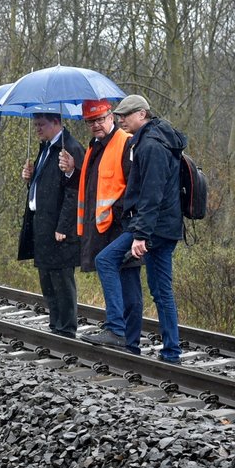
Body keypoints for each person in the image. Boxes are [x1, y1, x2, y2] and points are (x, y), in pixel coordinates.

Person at [81, 94, 186, 364]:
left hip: (152, 228)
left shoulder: (150, 145)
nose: (121, 120)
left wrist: (141, 236)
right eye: (119, 115)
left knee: (105, 260)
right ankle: (171, 352)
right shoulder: (160, 139)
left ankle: (116, 329)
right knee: (161, 291)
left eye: (125, 115)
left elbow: (151, 196)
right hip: (167, 228)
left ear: (142, 114)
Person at [60, 99, 144, 355]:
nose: (96, 125)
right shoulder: (95, 146)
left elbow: (133, 186)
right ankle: (129, 344)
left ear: (111, 117)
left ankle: (122, 335)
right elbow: (93, 187)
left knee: (129, 284)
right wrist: (73, 171)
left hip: (121, 227)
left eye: (100, 119)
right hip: (104, 229)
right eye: (90, 121)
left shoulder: (125, 142)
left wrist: (122, 217)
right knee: (125, 283)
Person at [18, 113, 85, 338]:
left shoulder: (70, 148)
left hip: (59, 227)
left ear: (56, 122)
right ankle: (55, 326)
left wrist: (64, 226)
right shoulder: (46, 148)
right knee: (47, 279)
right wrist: (31, 178)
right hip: (42, 224)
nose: (37, 129)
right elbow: (47, 185)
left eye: (41, 125)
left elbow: (73, 192)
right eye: (35, 125)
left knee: (62, 280)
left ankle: (66, 330)